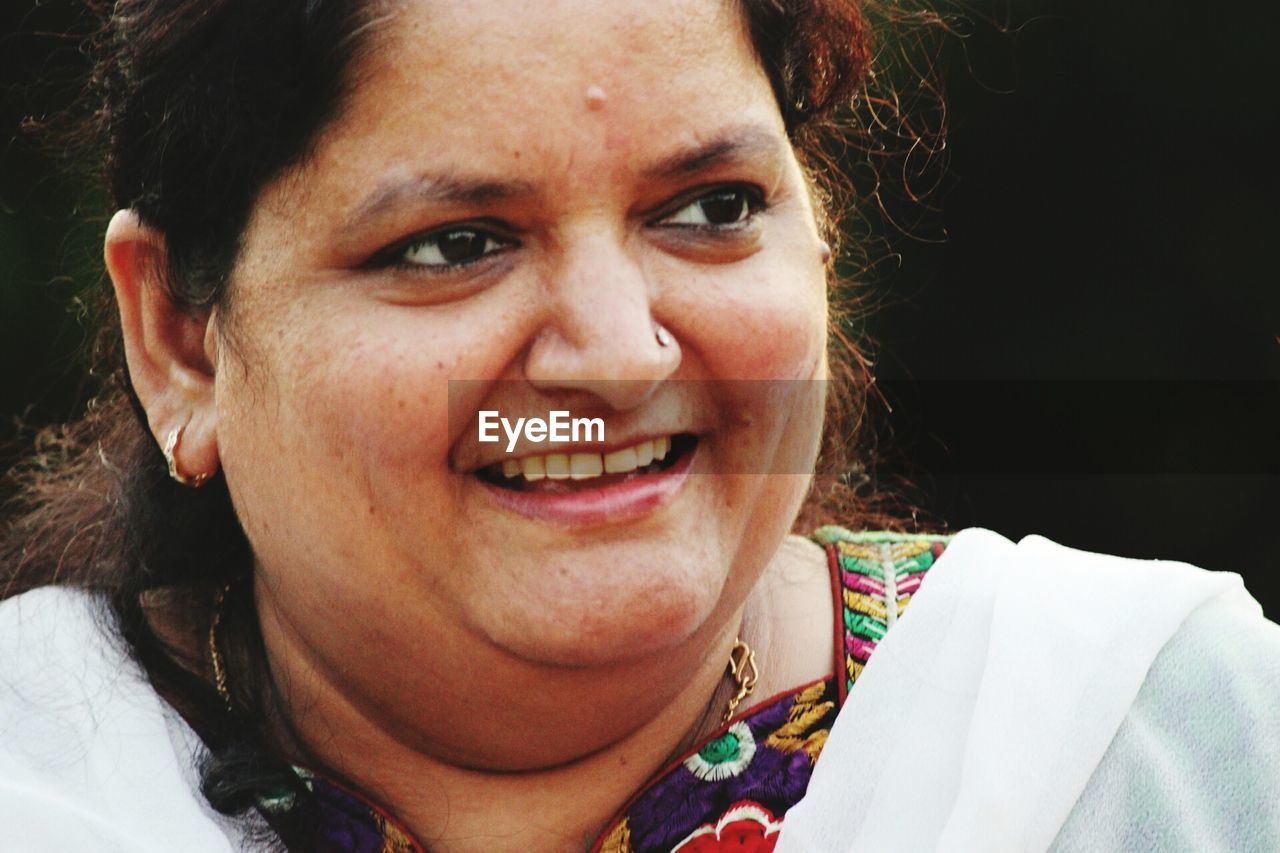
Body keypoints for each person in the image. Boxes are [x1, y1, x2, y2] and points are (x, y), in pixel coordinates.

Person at [1, 1, 1277, 851]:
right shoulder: (44, 779)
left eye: (711, 208)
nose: (618, 354)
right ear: (179, 337)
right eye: (455, 244)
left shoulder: (1147, 746)